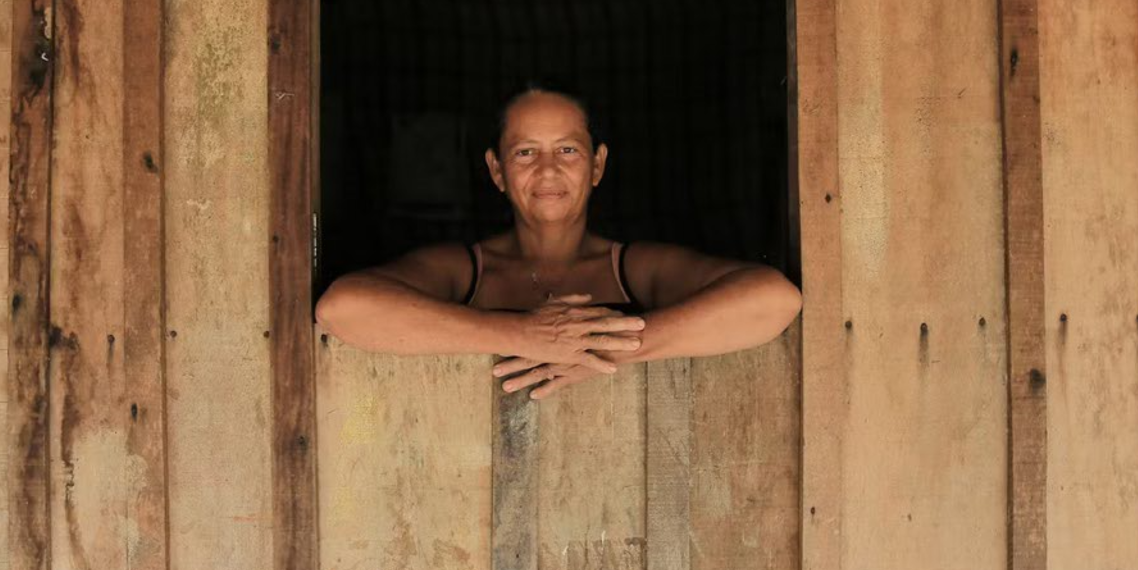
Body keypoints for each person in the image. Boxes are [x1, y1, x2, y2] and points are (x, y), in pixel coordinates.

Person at [314, 85, 803, 400]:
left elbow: (774, 300)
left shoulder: (636, 266)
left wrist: (610, 348)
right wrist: (520, 336)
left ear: (597, 165)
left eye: (568, 149)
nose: (548, 169)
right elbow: (342, 309)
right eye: (525, 152)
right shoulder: (462, 269)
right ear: (497, 170)